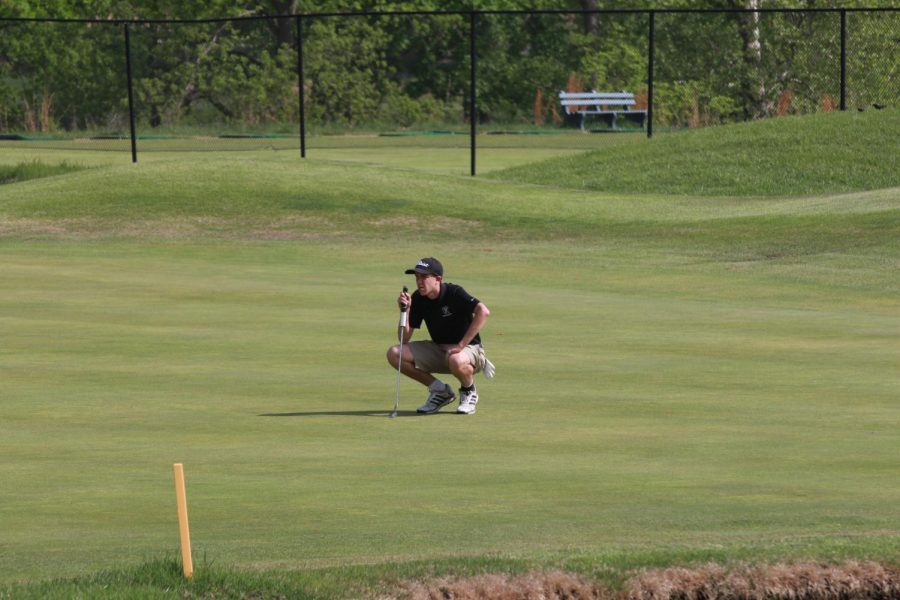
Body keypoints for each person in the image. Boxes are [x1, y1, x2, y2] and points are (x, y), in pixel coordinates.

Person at [387, 257, 493, 415]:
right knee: (395, 354)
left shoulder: (454, 292)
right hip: (439, 349)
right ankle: (440, 391)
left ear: (438, 279)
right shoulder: (418, 298)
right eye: (417, 277)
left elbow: (483, 312)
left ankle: (469, 391)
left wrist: (460, 346)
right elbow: (404, 339)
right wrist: (406, 310)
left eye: (424, 277)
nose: (419, 282)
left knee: (456, 359)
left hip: (469, 350)